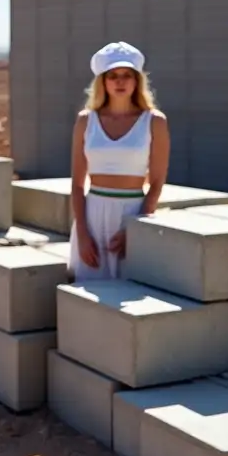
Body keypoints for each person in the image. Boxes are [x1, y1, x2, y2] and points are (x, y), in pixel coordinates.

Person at [68, 41, 170, 282]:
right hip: (92, 219)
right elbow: (77, 185)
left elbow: (156, 183)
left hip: (133, 214)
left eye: (127, 75)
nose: (120, 81)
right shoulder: (86, 121)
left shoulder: (155, 121)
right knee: (87, 297)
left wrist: (134, 232)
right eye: (113, 76)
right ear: (102, 81)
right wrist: (82, 234)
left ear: (137, 81)